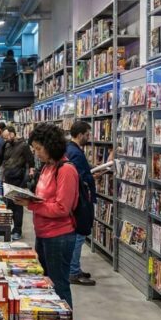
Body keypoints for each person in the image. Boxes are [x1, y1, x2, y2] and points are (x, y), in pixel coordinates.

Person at [8, 123, 78, 308]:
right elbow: (44, 197)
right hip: (44, 234)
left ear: (51, 146)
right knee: (46, 282)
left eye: (39, 148)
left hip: (59, 236)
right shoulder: (48, 167)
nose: (36, 153)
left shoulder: (66, 170)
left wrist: (31, 204)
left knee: (59, 285)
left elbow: (62, 208)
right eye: (34, 149)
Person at [66, 122, 97, 286]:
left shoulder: (69, 149)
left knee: (77, 237)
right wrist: (92, 177)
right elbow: (80, 177)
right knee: (78, 237)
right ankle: (73, 271)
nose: (89, 137)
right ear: (79, 135)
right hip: (81, 200)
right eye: (87, 134)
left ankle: (74, 268)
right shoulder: (76, 153)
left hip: (76, 199)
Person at [0, 126, 34, 240]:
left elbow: (31, 161)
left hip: (19, 180)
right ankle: (12, 228)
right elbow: (3, 160)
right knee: (9, 205)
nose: (5, 140)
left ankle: (17, 230)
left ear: (12, 134)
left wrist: (28, 176)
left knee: (18, 205)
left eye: (6, 137)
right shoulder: (8, 145)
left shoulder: (23, 145)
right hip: (8, 179)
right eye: (4, 138)